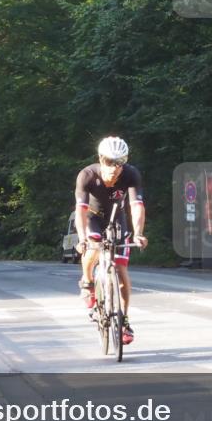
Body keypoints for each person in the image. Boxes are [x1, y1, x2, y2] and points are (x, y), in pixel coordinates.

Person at [74, 136, 148, 344]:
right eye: (109, 161)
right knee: (93, 244)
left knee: (122, 269)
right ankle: (87, 281)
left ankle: (124, 321)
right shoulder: (87, 175)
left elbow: (137, 206)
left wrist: (138, 233)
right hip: (92, 217)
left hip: (116, 218)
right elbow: (80, 211)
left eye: (120, 162)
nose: (114, 168)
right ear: (100, 158)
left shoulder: (131, 174)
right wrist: (82, 239)